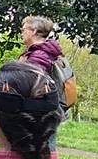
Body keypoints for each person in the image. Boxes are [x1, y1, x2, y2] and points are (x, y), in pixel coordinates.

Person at [19, 15, 66, 151]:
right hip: (47, 111)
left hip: (40, 113)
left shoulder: (39, 55)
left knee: (41, 152)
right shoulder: (45, 52)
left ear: (33, 31)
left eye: (24, 29)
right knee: (44, 150)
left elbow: (32, 85)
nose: (22, 33)